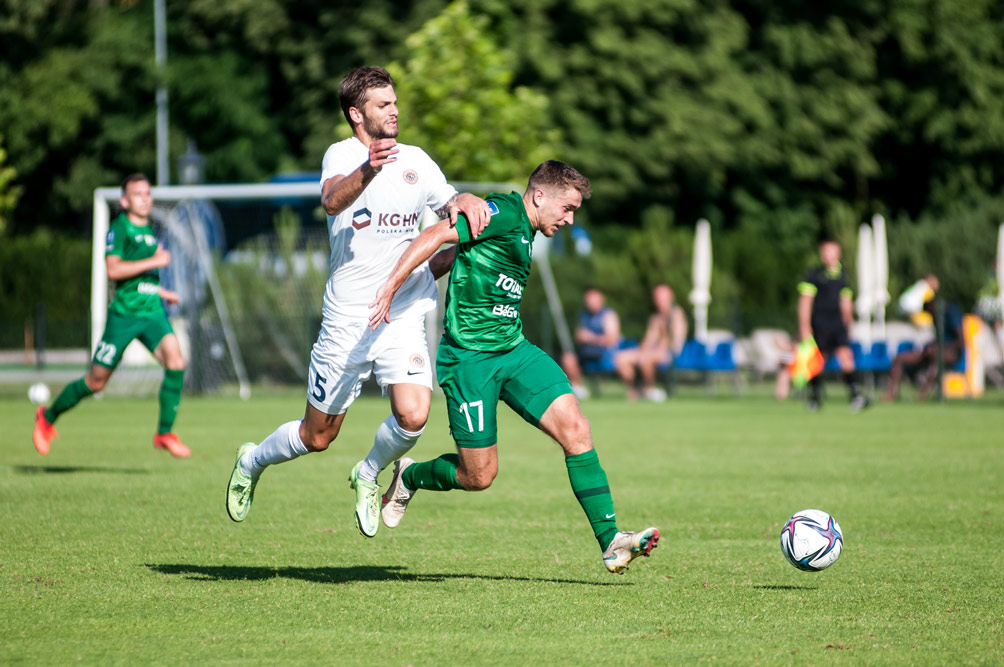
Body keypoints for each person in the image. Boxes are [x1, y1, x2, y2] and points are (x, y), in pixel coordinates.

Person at [225, 66, 490, 538]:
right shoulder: (342, 155)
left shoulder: (417, 161)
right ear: (356, 113)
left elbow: (450, 207)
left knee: (414, 414)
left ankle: (368, 474)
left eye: (394, 102)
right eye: (383, 104)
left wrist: (465, 201)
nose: (394, 110)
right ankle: (252, 460)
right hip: (349, 318)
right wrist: (369, 168)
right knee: (318, 436)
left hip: (404, 312)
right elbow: (331, 201)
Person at [369, 160, 659, 574]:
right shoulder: (503, 214)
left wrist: (435, 272)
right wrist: (390, 288)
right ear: (540, 195)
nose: (570, 219)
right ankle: (410, 477)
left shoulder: (523, 229)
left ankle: (611, 540)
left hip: (514, 350)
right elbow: (436, 234)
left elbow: (459, 251)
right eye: (568, 207)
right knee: (479, 475)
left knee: (576, 428)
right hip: (470, 361)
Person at [32, 173, 190, 457]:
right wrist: (155, 260)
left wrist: (163, 293)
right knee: (96, 381)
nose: (145, 198)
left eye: (147, 193)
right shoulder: (120, 228)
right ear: (125, 200)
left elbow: (142, 280)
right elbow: (114, 271)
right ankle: (47, 417)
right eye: (138, 194)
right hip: (125, 317)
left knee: (176, 362)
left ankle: (164, 433)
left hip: (152, 312)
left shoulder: (150, 229)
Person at [797, 238, 869, 412]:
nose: (828, 256)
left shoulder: (843, 275)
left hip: (837, 324)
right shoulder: (814, 274)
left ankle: (854, 395)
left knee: (846, 357)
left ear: (838, 254)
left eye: (832, 252)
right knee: (818, 361)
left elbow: (846, 302)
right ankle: (815, 397)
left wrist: (848, 323)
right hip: (820, 322)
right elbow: (805, 301)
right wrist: (804, 325)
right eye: (825, 252)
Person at [884, 275, 964, 401]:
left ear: (933, 306)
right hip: (934, 351)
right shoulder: (936, 317)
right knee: (899, 358)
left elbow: (961, 342)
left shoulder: (951, 314)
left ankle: (922, 394)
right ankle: (891, 394)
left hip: (952, 353)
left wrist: (939, 347)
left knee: (935, 357)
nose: (929, 315)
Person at [614, 283, 688, 401]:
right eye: (657, 297)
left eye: (662, 297)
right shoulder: (655, 318)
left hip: (669, 353)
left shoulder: (677, 314)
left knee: (645, 359)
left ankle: (649, 389)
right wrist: (642, 349)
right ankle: (635, 389)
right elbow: (649, 340)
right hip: (653, 351)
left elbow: (675, 342)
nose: (659, 300)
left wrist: (653, 350)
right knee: (621, 357)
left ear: (670, 297)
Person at [561, 287, 622, 399]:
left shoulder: (608, 315)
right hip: (586, 353)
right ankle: (579, 388)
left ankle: (636, 390)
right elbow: (578, 336)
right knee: (568, 358)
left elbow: (612, 339)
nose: (590, 302)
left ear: (601, 299)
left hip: (604, 354)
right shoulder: (584, 315)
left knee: (624, 360)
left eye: (594, 299)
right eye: (588, 299)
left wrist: (591, 338)